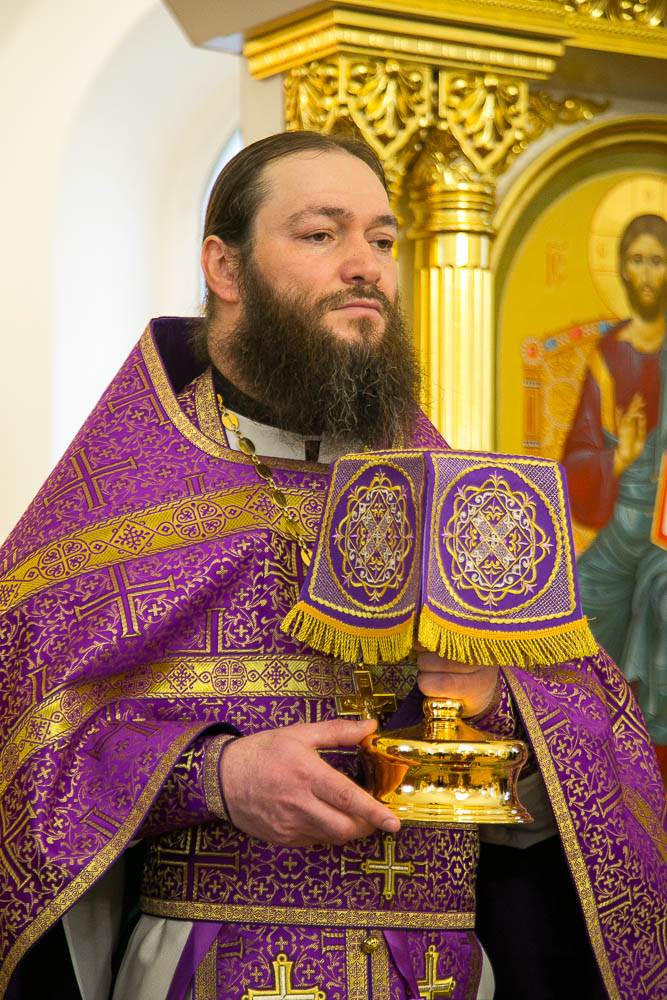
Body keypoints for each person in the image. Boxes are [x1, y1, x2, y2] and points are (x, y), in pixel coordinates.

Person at [0, 132, 665, 1000]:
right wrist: (212, 777)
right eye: (321, 234)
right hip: (211, 964)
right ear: (224, 268)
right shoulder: (123, 499)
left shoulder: (452, 496)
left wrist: (494, 703)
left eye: (382, 240)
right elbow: (24, 741)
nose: (365, 266)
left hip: (442, 972)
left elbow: (604, 754)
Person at [562, 214, 667, 756]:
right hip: (622, 530)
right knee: (571, 606)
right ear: (621, 269)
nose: (646, 274)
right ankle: (596, 761)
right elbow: (575, 462)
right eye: (636, 260)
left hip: (664, 533)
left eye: (657, 260)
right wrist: (617, 456)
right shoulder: (609, 357)